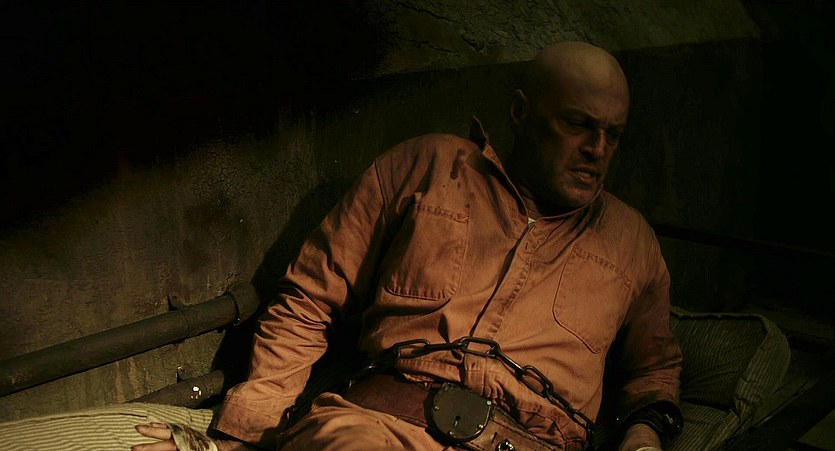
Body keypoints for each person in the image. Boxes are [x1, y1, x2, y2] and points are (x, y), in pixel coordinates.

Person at [132, 40, 683, 451]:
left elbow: (654, 373)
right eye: (578, 125)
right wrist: (244, 434)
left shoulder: (631, 244)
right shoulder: (428, 166)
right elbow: (309, 300)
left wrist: (644, 437)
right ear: (520, 112)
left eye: (613, 134)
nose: (597, 149)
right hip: (379, 427)